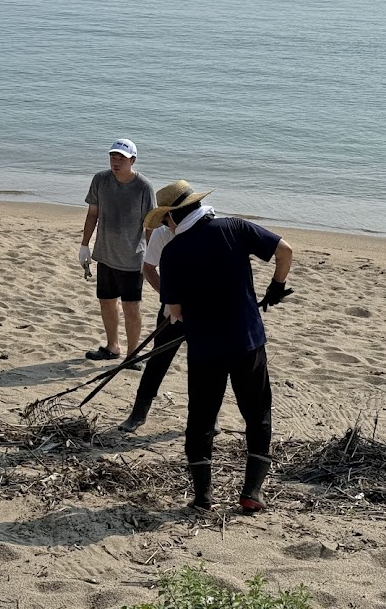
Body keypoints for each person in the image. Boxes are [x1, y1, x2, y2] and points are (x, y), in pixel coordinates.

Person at [157, 182, 293, 513]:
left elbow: (174, 312)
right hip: (247, 340)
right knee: (257, 413)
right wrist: (276, 286)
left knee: (201, 418)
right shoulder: (234, 226)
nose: (165, 227)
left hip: (205, 347)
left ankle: (203, 497)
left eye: (165, 221)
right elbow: (285, 251)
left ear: (174, 216)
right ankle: (251, 493)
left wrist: (188, 307)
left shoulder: (173, 252)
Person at [118, 180, 214, 433]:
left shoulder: (208, 230)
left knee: (205, 365)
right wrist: (168, 296)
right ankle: (138, 413)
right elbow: (148, 268)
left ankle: (207, 418)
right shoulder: (163, 234)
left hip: (204, 313)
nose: (165, 224)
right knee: (158, 360)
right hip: (171, 312)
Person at [79, 139, 155, 362]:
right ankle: (113, 347)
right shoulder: (100, 180)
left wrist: (153, 257)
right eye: (113, 156)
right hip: (105, 254)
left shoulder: (143, 187)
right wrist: (85, 245)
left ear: (133, 160)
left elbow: (150, 225)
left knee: (131, 308)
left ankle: (132, 355)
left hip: (132, 259)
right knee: (107, 302)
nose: (116, 162)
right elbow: (92, 214)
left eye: (122, 158)